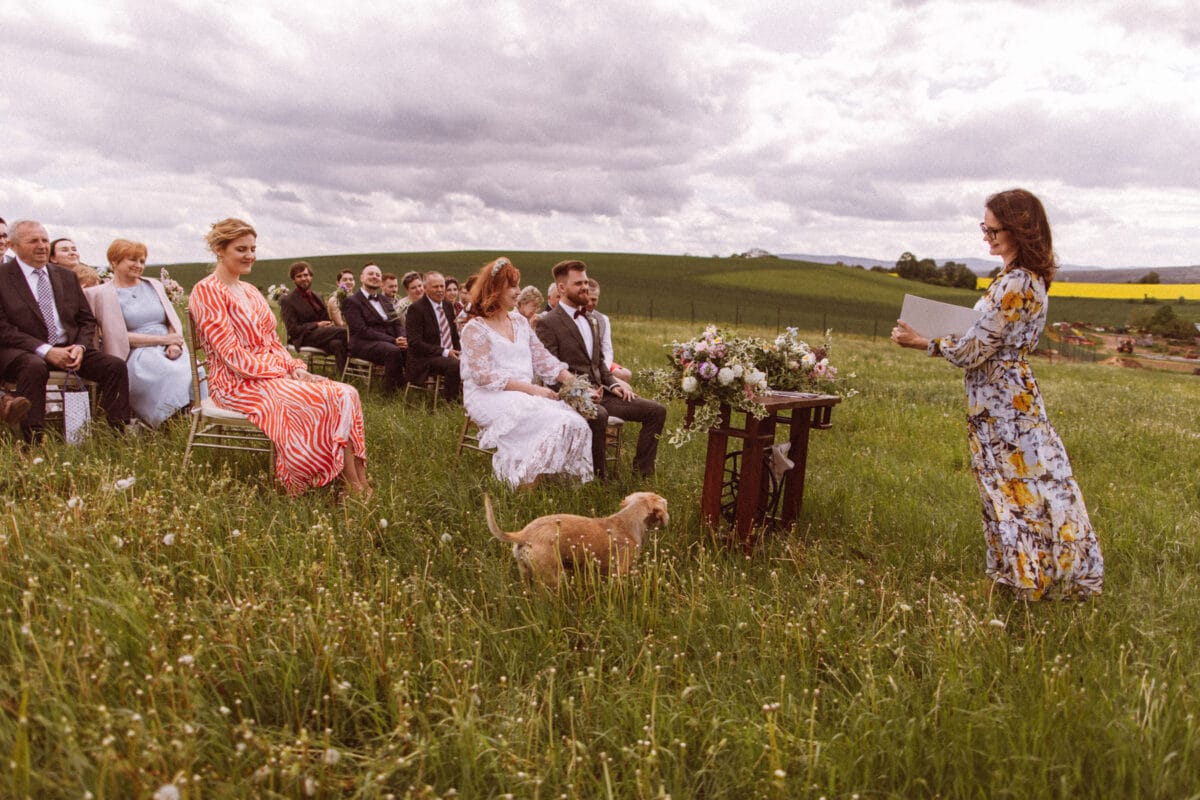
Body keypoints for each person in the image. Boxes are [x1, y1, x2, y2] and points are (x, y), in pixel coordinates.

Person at [891, 189, 1103, 600]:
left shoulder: (1016, 283)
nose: (985, 236)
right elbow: (984, 337)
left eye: (993, 229)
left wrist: (923, 341)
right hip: (1002, 398)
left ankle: (1035, 579)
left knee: (1016, 488)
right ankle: (1026, 573)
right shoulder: (1023, 279)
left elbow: (973, 350)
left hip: (1003, 404)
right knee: (1020, 486)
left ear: (1019, 229)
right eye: (983, 227)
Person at [188, 218, 368, 497]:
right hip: (235, 382)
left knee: (346, 393)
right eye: (241, 249)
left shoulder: (250, 291)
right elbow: (231, 355)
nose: (250, 255)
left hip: (269, 373)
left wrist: (296, 369)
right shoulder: (206, 291)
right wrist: (281, 373)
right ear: (219, 250)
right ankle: (330, 485)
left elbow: (272, 341)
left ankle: (355, 481)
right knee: (321, 397)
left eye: (253, 248)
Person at [460, 257, 592, 489]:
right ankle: (523, 485)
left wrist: (576, 383)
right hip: (488, 395)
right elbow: (483, 377)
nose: (518, 292)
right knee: (553, 421)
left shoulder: (520, 322)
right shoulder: (475, 328)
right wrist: (533, 389)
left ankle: (538, 478)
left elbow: (544, 360)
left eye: (518, 286)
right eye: (512, 286)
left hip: (523, 394)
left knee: (573, 421)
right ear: (494, 289)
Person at [0, 220, 132, 442]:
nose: (42, 246)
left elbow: (86, 319)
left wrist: (80, 347)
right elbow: (3, 328)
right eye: (33, 241)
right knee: (34, 366)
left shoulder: (66, 276)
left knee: (114, 366)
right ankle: (32, 442)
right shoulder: (3, 277)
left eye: (44, 240)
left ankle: (118, 436)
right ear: (13, 246)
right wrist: (46, 350)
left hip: (70, 348)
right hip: (24, 352)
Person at [538, 259, 666, 479]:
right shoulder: (548, 322)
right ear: (561, 287)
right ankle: (600, 479)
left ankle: (642, 474)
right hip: (569, 396)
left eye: (586, 282)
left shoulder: (592, 320)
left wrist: (614, 384)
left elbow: (599, 365)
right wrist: (581, 393)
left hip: (603, 393)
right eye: (578, 283)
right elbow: (549, 373)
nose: (585, 287)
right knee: (600, 415)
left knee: (657, 411)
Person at [85, 239, 191, 427]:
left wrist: (173, 343)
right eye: (132, 260)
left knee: (195, 369)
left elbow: (171, 319)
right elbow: (114, 336)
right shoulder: (100, 294)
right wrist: (163, 340)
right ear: (114, 261)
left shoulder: (153, 285)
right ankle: (167, 423)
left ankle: (190, 419)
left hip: (168, 346)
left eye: (142, 261)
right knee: (168, 372)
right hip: (134, 351)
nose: (139, 265)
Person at [342, 263, 407, 394]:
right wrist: (392, 340)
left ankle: (411, 386)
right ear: (361, 278)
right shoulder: (352, 301)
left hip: (387, 341)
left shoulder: (384, 299)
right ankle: (391, 393)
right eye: (370, 274)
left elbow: (397, 323)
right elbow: (361, 330)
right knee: (393, 351)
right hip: (363, 343)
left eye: (378, 275)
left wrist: (402, 337)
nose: (375, 277)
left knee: (410, 347)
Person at [279, 261, 348, 373]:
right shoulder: (288, 300)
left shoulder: (318, 296)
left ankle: (347, 377)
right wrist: (316, 325)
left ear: (311, 276)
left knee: (338, 344)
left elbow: (326, 318)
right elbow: (292, 330)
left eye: (306, 275)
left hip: (324, 335)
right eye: (299, 276)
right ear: (294, 279)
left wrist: (328, 324)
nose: (303, 278)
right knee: (346, 333)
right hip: (304, 337)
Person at [405, 270, 462, 400]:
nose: (440, 290)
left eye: (442, 286)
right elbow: (415, 343)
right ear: (425, 288)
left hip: (447, 353)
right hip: (424, 358)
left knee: (471, 361)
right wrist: (445, 352)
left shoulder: (448, 306)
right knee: (454, 365)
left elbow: (453, 335)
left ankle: (467, 399)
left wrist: (459, 351)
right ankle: (451, 404)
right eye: (435, 286)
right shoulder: (416, 309)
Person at [586, 278, 633, 383]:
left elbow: (607, 349)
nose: (590, 303)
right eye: (587, 298)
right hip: (583, 363)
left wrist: (604, 370)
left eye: (594, 299)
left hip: (600, 363)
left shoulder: (603, 319)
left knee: (625, 374)